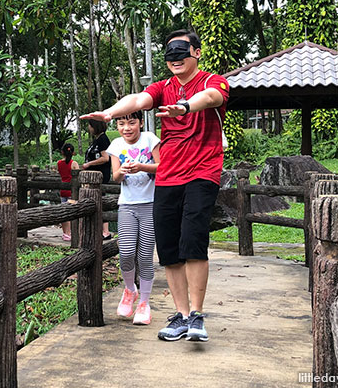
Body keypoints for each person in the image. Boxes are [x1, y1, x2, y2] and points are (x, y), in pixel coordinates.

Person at [81, 29, 229, 342]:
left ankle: (198, 316)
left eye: (182, 51)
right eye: (170, 53)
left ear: (197, 53)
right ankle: (182, 315)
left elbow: (212, 98)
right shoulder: (162, 88)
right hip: (168, 176)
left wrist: (186, 106)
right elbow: (138, 99)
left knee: (193, 241)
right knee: (170, 250)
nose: (176, 58)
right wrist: (108, 114)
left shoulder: (212, 81)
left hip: (202, 172)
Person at [106, 111, 160, 325]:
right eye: (121, 123)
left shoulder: (151, 139)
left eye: (131, 122)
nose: (127, 128)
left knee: (145, 255)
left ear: (140, 122)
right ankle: (130, 290)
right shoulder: (116, 146)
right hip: (127, 205)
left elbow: (163, 166)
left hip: (150, 204)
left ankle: (144, 304)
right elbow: (115, 176)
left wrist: (142, 167)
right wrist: (125, 171)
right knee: (126, 251)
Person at [83, 119, 112, 240]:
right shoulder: (97, 139)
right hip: (94, 175)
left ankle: (105, 231)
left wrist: (90, 164)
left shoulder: (103, 139)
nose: (89, 128)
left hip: (100, 175)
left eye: (90, 125)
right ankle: (99, 229)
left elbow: (105, 158)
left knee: (101, 199)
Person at [57, 143, 80, 241]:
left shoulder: (59, 163)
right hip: (72, 192)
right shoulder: (74, 164)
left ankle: (65, 233)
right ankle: (70, 232)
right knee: (71, 211)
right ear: (73, 152)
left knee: (63, 211)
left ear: (62, 152)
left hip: (63, 190)